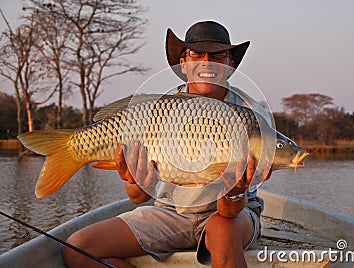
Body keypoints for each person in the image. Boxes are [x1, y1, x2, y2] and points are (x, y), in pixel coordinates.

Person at [62, 21, 272, 268]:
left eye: (218, 54)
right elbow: (138, 197)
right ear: (183, 64)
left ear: (230, 65)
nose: (207, 61)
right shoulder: (159, 109)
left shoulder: (252, 116)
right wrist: (135, 180)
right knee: (77, 249)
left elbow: (229, 211)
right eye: (196, 54)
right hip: (171, 212)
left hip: (232, 216)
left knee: (221, 229)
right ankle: (67, 150)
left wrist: (234, 189)